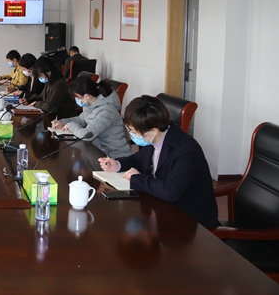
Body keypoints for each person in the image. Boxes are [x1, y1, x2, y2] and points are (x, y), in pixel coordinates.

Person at [98, 95, 219, 229]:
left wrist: (137, 178)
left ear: (154, 131)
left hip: (190, 224)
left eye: (133, 131)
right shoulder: (154, 138)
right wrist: (118, 165)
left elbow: (170, 191)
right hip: (161, 210)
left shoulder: (187, 150)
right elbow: (138, 159)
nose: (131, 135)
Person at [51, 76, 131, 158]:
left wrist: (70, 125)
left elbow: (86, 135)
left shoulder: (107, 111)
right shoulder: (90, 105)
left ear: (87, 96)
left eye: (77, 97)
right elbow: (80, 119)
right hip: (98, 151)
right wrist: (62, 123)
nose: (76, 100)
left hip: (115, 156)